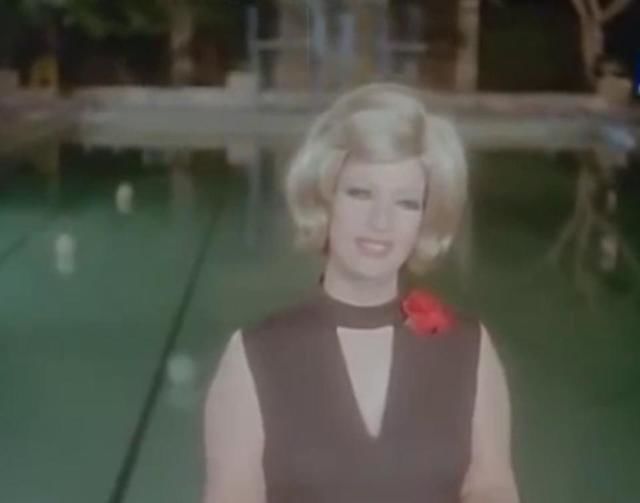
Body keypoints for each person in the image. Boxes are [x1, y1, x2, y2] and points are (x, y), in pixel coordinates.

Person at [203, 82, 520, 503]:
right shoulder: (256, 354)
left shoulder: (468, 346)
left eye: (406, 202)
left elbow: (491, 486)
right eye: (361, 193)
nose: (380, 222)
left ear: (426, 217)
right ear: (324, 198)